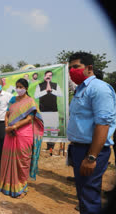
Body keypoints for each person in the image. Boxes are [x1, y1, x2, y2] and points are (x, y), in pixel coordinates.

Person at [67, 52, 116, 214]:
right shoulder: (81, 89)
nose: (72, 71)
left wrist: (91, 157)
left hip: (91, 150)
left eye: (76, 67)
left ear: (89, 68)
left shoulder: (99, 89)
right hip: (78, 148)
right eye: (70, 68)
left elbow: (103, 125)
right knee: (83, 194)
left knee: (88, 196)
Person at [0, 78, 44, 199]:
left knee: (23, 161)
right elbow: (7, 114)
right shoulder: (13, 99)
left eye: (21, 87)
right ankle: (8, 185)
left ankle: (22, 187)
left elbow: (29, 119)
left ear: (26, 88)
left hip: (24, 133)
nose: (18, 89)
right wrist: (7, 126)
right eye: (17, 87)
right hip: (10, 133)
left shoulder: (30, 101)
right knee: (8, 158)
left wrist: (14, 126)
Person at [34, 70, 62, 151]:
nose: (48, 77)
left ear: (51, 77)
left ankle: (52, 146)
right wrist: (46, 91)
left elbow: (60, 94)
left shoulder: (55, 85)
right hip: (43, 111)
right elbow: (36, 96)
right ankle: (45, 146)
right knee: (44, 129)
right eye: (47, 75)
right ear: (44, 77)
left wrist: (51, 90)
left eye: (50, 75)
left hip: (54, 110)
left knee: (54, 129)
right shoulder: (39, 85)